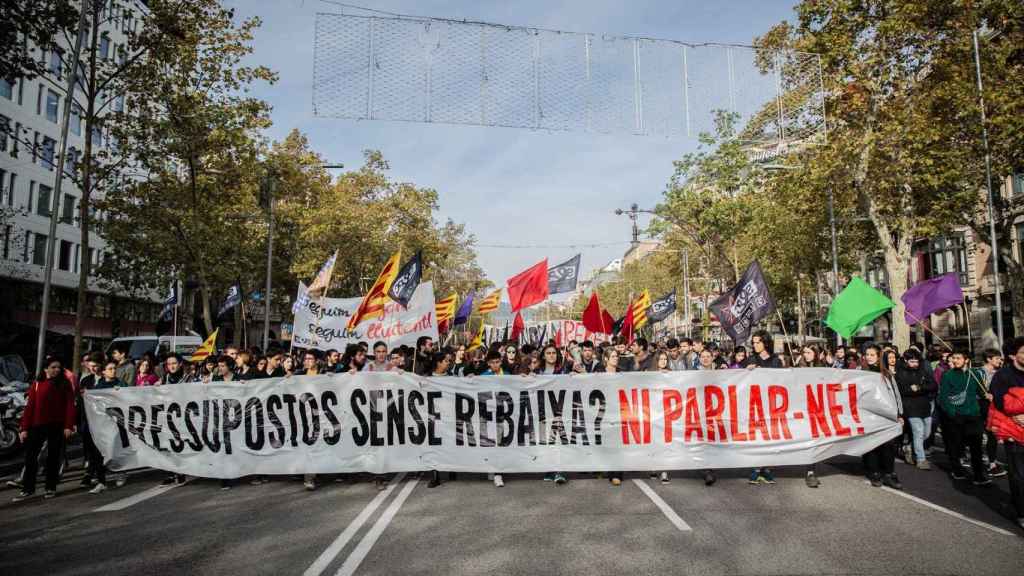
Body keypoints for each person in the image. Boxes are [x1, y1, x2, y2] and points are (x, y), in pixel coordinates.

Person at [12, 357, 76, 502]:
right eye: (53, 367)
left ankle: (50, 487)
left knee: (52, 458)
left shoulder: (64, 384)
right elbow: (30, 408)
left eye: (59, 367)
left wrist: (68, 426)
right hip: (37, 425)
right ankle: (28, 489)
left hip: (57, 425)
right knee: (30, 457)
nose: (57, 370)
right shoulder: (37, 384)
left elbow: (70, 406)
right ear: (45, 369)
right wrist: (24, 428)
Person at [938, 349, 989, 486]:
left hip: (974, 415)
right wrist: (952, 412)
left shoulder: (975, 374)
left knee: (976, 447)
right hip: (956, 416)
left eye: (958, 358)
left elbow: (982, 391)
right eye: (954, 358)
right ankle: (956, 469)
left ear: (966, 360)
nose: (955, 360)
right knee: (956, 444)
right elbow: (943, 397)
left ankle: (978, 474)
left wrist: (987, 395)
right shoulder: (947, 375)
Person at [989, 337, 1024, 530]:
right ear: (1012, 355)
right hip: (1014, 431)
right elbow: (1001, 404)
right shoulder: (1003, 376)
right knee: (1019, 475)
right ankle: (1021, 511)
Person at [862, 344, 903, 489]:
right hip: (867, 415)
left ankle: (889, 473)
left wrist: (899, 414)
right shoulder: (859, 373)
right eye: (867, 354)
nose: (869, 357)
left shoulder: (886, 374)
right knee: (871, 444)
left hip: (885, 415)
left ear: (879, 357)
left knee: (888, 444)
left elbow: (895, 394)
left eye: (872, 355)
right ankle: (874, 472)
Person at [744, 331, 781, 485]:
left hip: (771, 403)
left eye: (758, 342)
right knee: (756, 436)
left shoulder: (775, 360)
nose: (755, 345)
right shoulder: (751, 359)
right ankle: (756, 468)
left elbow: (781, 379)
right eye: (753, 342)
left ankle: (767, 469)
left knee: (770, 436)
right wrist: (747, 371)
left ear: (765, 342)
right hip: (755, 404)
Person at [895, 349, 936, 470]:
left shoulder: (923, 370)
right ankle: (921, 459)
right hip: (910, 407)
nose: (915, 364)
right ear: (906, 360)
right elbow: (901, 391)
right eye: (912, 361)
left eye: (916, 361)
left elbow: (933, 385)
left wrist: (919, 388)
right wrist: (913, 390)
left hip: (924, 406)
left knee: (926, 433)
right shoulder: (900, 373)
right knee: (918, 432)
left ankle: (909, 447)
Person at [977, 349, 1008, 478]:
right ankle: (981, 461)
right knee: (980, 435)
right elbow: (973, 390)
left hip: (995, 408)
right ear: (989, 359)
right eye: (997, 358)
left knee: (992, 435)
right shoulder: (978, 373)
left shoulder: (1000, 373)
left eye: (1000, 359)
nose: (1000, 361)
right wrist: (982, 394)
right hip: (981, 408)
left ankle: (992, 462)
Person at [478, 350, 506, 488]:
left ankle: (497, 473)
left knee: (498, 443)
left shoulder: (507, 375)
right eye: (492, 362)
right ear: (488, 363)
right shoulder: (483, 376)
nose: (495, 365)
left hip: (501, 415)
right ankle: (494, 470)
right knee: (490, 443)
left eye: (498, 362)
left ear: (501, 361)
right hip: (487, 415)